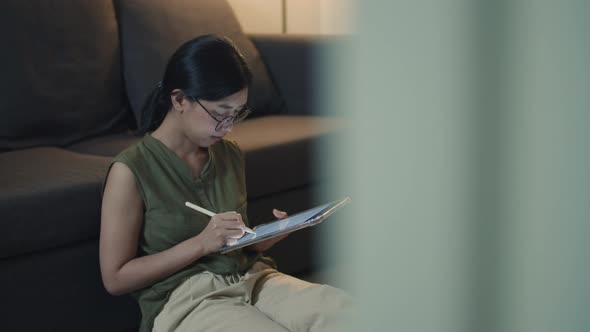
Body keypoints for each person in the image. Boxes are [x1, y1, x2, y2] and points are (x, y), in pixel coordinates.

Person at [99, 34, 351, 332]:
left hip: (253, 278)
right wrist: (200, 244)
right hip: (187, 299)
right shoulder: (131, 170)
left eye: (237, 114)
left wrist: (258, 240)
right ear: (179, 99)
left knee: (345, 312)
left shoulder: (228, 154)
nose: (229, 127)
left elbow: (229, 244)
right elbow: (115, 278)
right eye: (220, 114)